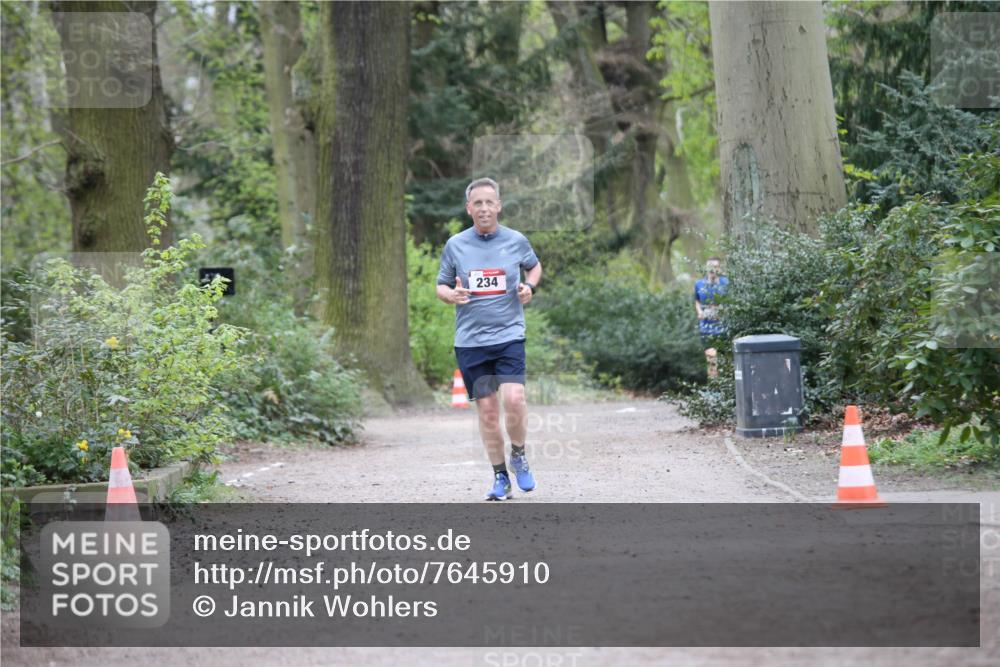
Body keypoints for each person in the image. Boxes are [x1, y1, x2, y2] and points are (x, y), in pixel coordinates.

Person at [437, 177, 543, 501]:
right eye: (477, 203)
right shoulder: (456, 245)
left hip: (509, 335)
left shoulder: (516, 240)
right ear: (469, 209)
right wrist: (450, 295)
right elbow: (440, 285)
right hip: (471, 342)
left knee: (514, 400)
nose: (484, 208)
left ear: (498, 206)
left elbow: (534, 268)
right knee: (487, 412)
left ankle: (519, 455)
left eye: (489, 202)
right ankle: (500, 477)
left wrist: (529, 287)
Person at [694, 257, 728, 378]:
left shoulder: (726, 282)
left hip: (723, 326)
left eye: (715, 266)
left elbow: (731, 302)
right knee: (711, 358)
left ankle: (725, 386)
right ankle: (714, 387)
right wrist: (700, 312)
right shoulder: (699, 284)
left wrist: (722, 311)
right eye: (709, 266)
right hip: (706, 326)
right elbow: (697, 300)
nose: (712, 269)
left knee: (724, 359)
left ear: (719, 269)